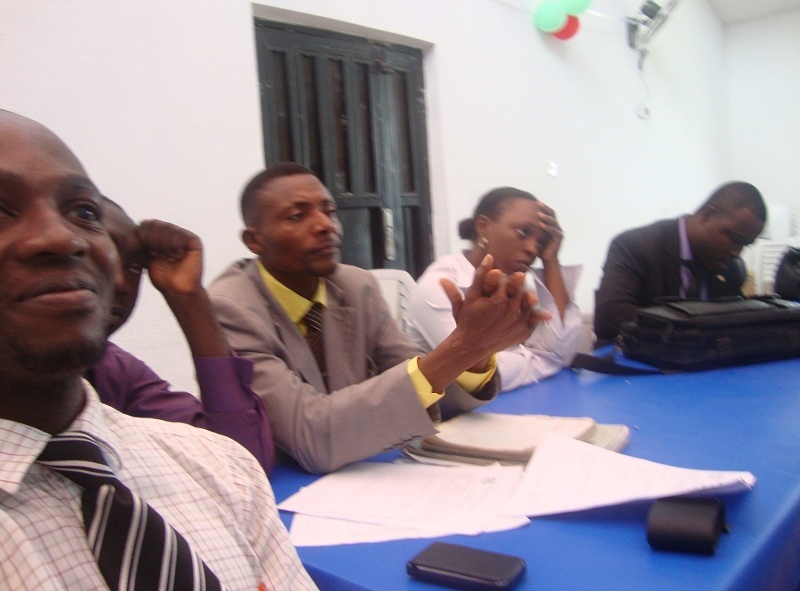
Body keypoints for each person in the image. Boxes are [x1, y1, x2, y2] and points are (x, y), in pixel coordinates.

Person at [0, 110, 315, 590]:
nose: (65, 239)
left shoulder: (208, 467)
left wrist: (188, 298)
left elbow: (241, 453)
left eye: (83, 213)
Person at [208, 162, 546, 474]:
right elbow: (311, 436)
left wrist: (478, 354)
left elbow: (427, 385)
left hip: (361, 473)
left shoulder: (356, 287)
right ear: (254, 240)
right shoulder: (231, 308)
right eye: (297, 216)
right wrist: (463, 347)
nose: (325, 226)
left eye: (329, 211)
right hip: (277, 490)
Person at [85, 198, 275, 473]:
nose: (121, 283)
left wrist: (188, 297)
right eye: (95, 257)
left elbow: (242, 459)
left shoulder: (114, 371)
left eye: (134, 266)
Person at [406, 187, 582, 392]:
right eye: (523, 232)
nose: (533, 249)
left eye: (541, 242)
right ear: (483, 226)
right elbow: (481, 374)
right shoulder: (440, 286)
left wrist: (551, 260)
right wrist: (545, 360)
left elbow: (561, 347)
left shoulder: (512, 284)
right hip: (443, 410)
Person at [594, 181, 767, 347]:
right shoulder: (636, 246)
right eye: (734, 238)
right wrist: (688, 330)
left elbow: (735, 326)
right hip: (635, 361)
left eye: (745, 244)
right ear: (707, 215)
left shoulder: (731, 269)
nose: (736, 253)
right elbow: (610, 318)